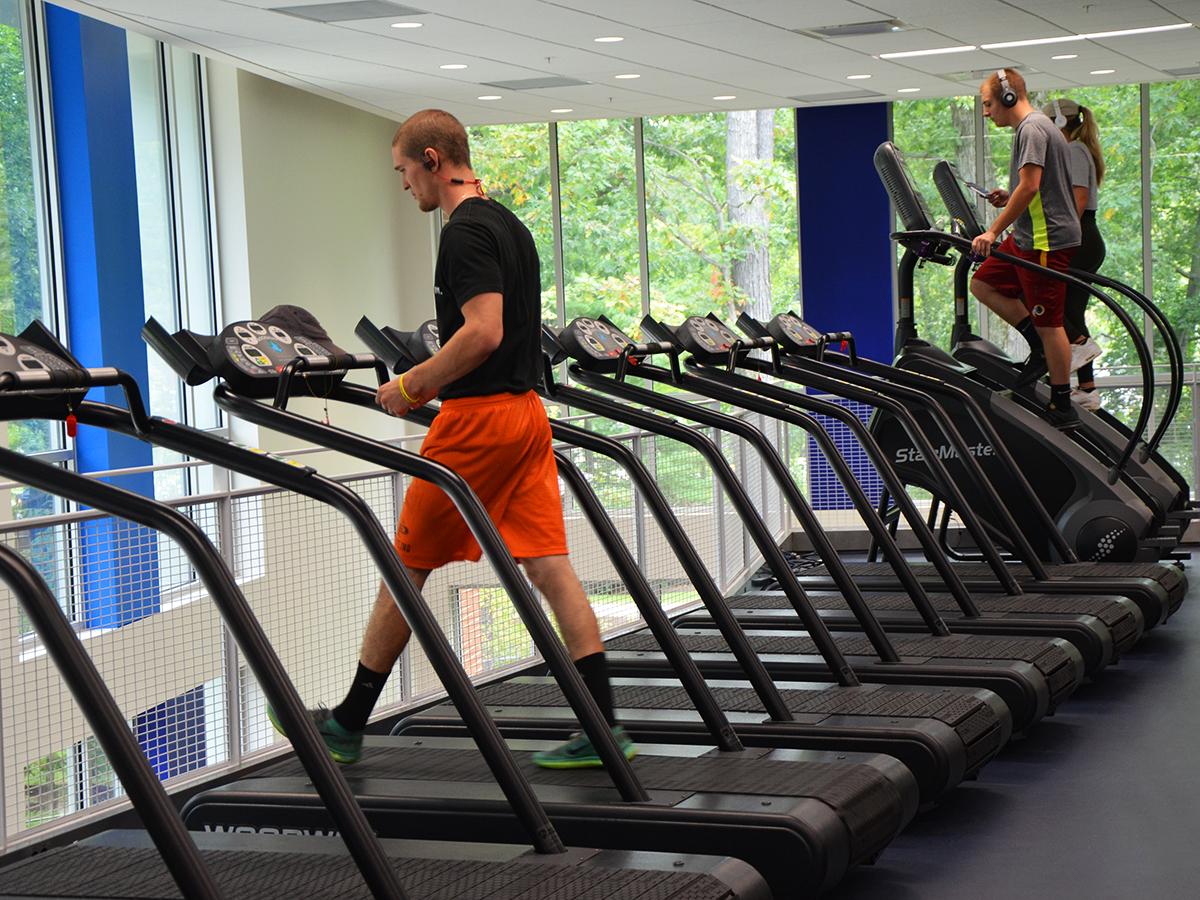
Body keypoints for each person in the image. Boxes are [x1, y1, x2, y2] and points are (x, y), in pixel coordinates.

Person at [270, 109, 636, 769]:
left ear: (433, 160)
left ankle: (347, 723)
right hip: (525, 415)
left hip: (479, 423)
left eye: (405, 171)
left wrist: (411, 386)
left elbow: (483, 332)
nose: (404, 185)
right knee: (550, 565)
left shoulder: (464, 232)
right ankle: (604, 727)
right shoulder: (510, 226)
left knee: (405, 565)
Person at [970, 69, 1083, 429]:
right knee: (982, 283)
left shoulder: (1032, 128)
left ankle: (1061, 404)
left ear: (1007, 98)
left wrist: (992, 230)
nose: (986, 113)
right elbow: (1034, 185)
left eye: (988, 104)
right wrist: (1008, 197)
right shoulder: (1035, 128)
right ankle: (1038, 349)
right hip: (1026, 237)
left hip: (1045, 240)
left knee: (1051, 324)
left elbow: (1032, 186)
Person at [1043, 97, 1105, 410]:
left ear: (1059, 123)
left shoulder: (1074, 150)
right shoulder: (1072, 151)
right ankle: (1087, 387)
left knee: (1055, 307)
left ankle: (1079, 349)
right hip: (1079, 236)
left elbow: (1078, 200)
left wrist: (1058, 237)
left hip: (1080, 237)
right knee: (1071, 310)